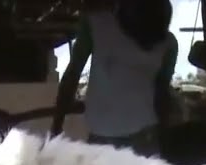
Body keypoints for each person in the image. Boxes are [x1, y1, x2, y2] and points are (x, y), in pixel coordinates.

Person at [51, 0, 177, 157]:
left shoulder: (96, 24)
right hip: (140, 136)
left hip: (123, 136)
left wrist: (56, 126)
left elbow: (72, 75)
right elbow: (162, 94)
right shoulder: (97, 24)